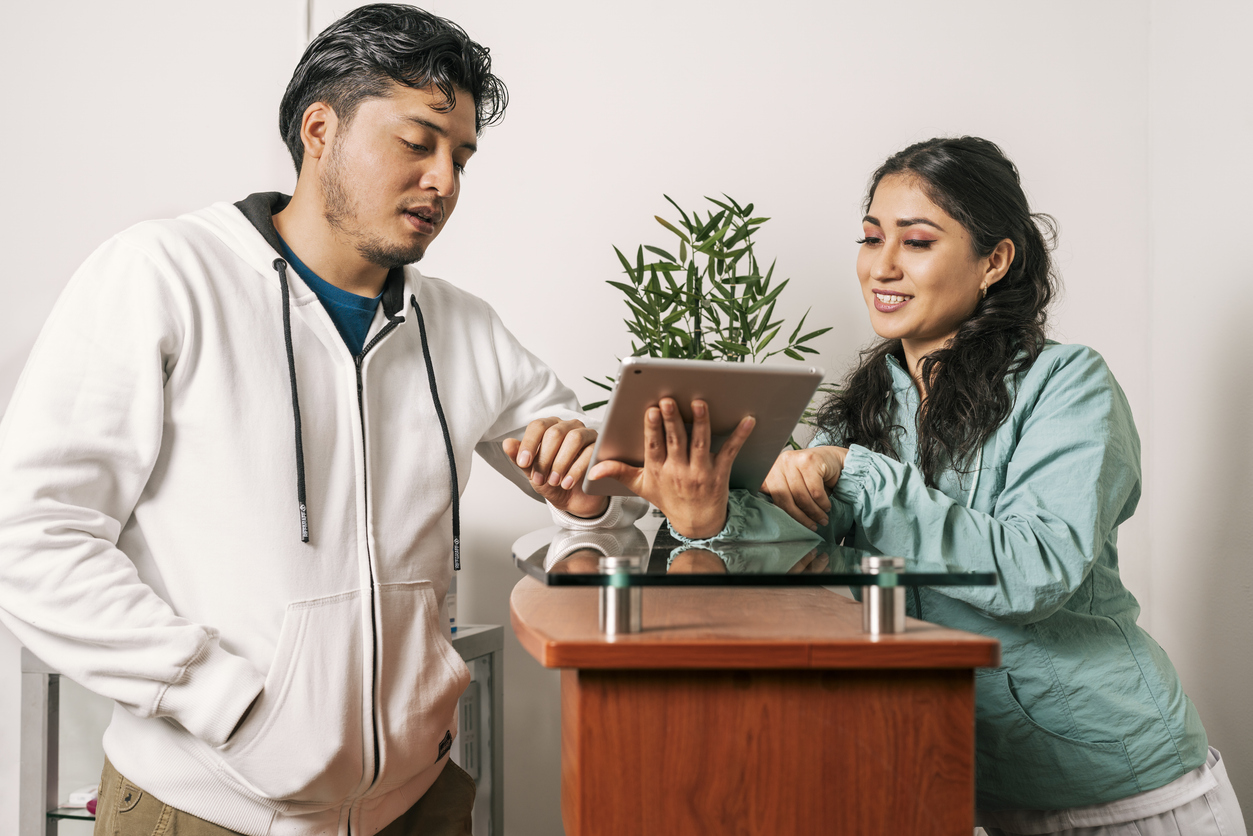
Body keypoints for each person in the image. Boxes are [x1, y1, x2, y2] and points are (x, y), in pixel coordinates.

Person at [0, 6, 642, 835]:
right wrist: (223, 701)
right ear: (319, 130)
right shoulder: (161, 275)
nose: (444, 180)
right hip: (200, 810)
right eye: (418, 143)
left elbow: (610, 499)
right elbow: (31, 536)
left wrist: (586, 504)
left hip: (419, 805)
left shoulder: (464, 327)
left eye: (461, 156)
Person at [590, 136, 1247, 835]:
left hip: (1131, 798)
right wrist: (704, 516)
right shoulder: (857, 412)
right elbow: (806, 578)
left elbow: (1035, 570)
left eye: (917, 242)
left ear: (993, 261)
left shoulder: (1069, 385)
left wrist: (855, 474)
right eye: (871, 238)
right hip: (969, 796)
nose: (882, 266)